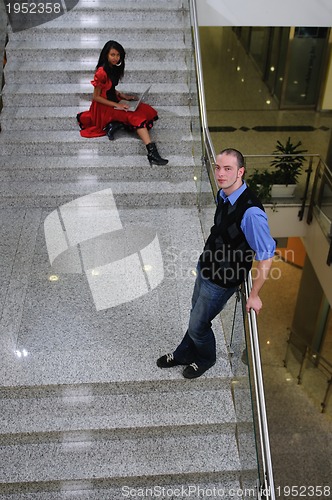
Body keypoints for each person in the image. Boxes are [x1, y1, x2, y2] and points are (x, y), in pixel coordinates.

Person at [157, 148, 276, 379]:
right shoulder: (224, 194)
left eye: (228, 169)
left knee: (198, 324)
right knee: (195, 314)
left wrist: (255, 294)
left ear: (241, 172)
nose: (220, 174)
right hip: (206, 267)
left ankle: (205, 358)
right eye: (218, 167)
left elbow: (267, 254)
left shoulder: (251, 213)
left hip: (222, 281)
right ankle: (184, 353)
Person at [77, 40, 168, 166]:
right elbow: (96, 97)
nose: (116, 58)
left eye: (118, 55)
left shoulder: (113, 67)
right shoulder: (101, 72)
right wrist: (118, 105)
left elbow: (109, 88)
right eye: (112, 55)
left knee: (146, 109)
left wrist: (122, 95)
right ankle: (151, 152)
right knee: (136, 116)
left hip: (113, 101)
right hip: (104, 108)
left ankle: (116, 124)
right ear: (106, 55)